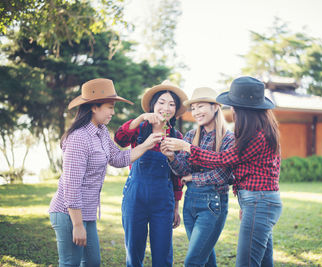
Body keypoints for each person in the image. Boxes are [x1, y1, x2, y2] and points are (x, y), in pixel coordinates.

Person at [163, 76, 282, 267]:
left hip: (256, 202)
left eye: (234, 106)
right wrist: (172, 157)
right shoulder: (259, 131)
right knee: (263, 262)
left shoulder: (251, 137)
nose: (232, 109)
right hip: (255, 201)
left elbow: (223, 163)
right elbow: (264, 172)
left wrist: (188, 152)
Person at [49, 78, 163, 267]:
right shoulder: (79, 139)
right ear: (94, 107)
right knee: (71, 263)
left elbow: (118, 158)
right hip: (68, 213)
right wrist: (77, 225)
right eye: (109, 107)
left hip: (87, 212)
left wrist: (147, 144)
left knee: (93, 262)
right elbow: (71, 184)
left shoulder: (101, 131)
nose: (112, 112)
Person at [114, 81, 188, 267]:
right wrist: (140, 119)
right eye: (162, 102)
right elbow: (119, 139)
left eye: (171, 104)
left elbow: (177, 177)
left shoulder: (177, 137)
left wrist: (176, 206)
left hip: (163, 201)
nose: (166, 108)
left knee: (163, 253)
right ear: (153, 105)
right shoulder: (139, 129)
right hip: (135, 198)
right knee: (134, 250)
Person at [160, 87, 234, 267]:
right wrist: (171, 157)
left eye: (201, 106)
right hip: (191, 202)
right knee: (206, 258)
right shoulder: (191, 135)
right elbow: (183, 170)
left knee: (193, 261)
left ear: (215, 107)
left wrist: (194, 178)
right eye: (193, 108)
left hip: (213, 204)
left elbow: (224, 174)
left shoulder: (228, 138)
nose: (196, 112)